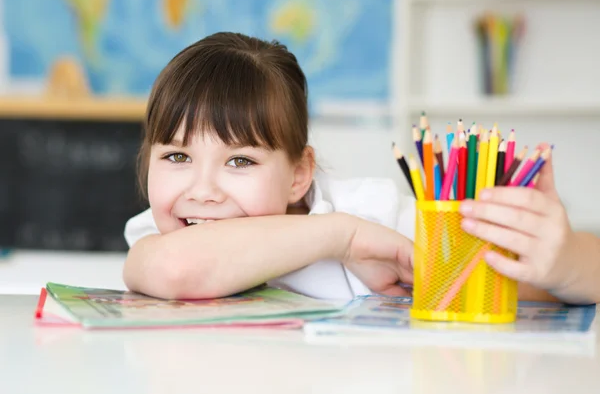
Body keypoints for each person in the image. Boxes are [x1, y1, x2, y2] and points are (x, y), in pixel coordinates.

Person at [123, 32, 600, 305]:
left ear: (298, 175)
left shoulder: (373, 214)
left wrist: (563, 263)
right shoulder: (165, 233)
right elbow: (173, 268)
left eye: (240, 160)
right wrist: (341, 238)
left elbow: (549, 282)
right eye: (177, 157)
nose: (202, 191)